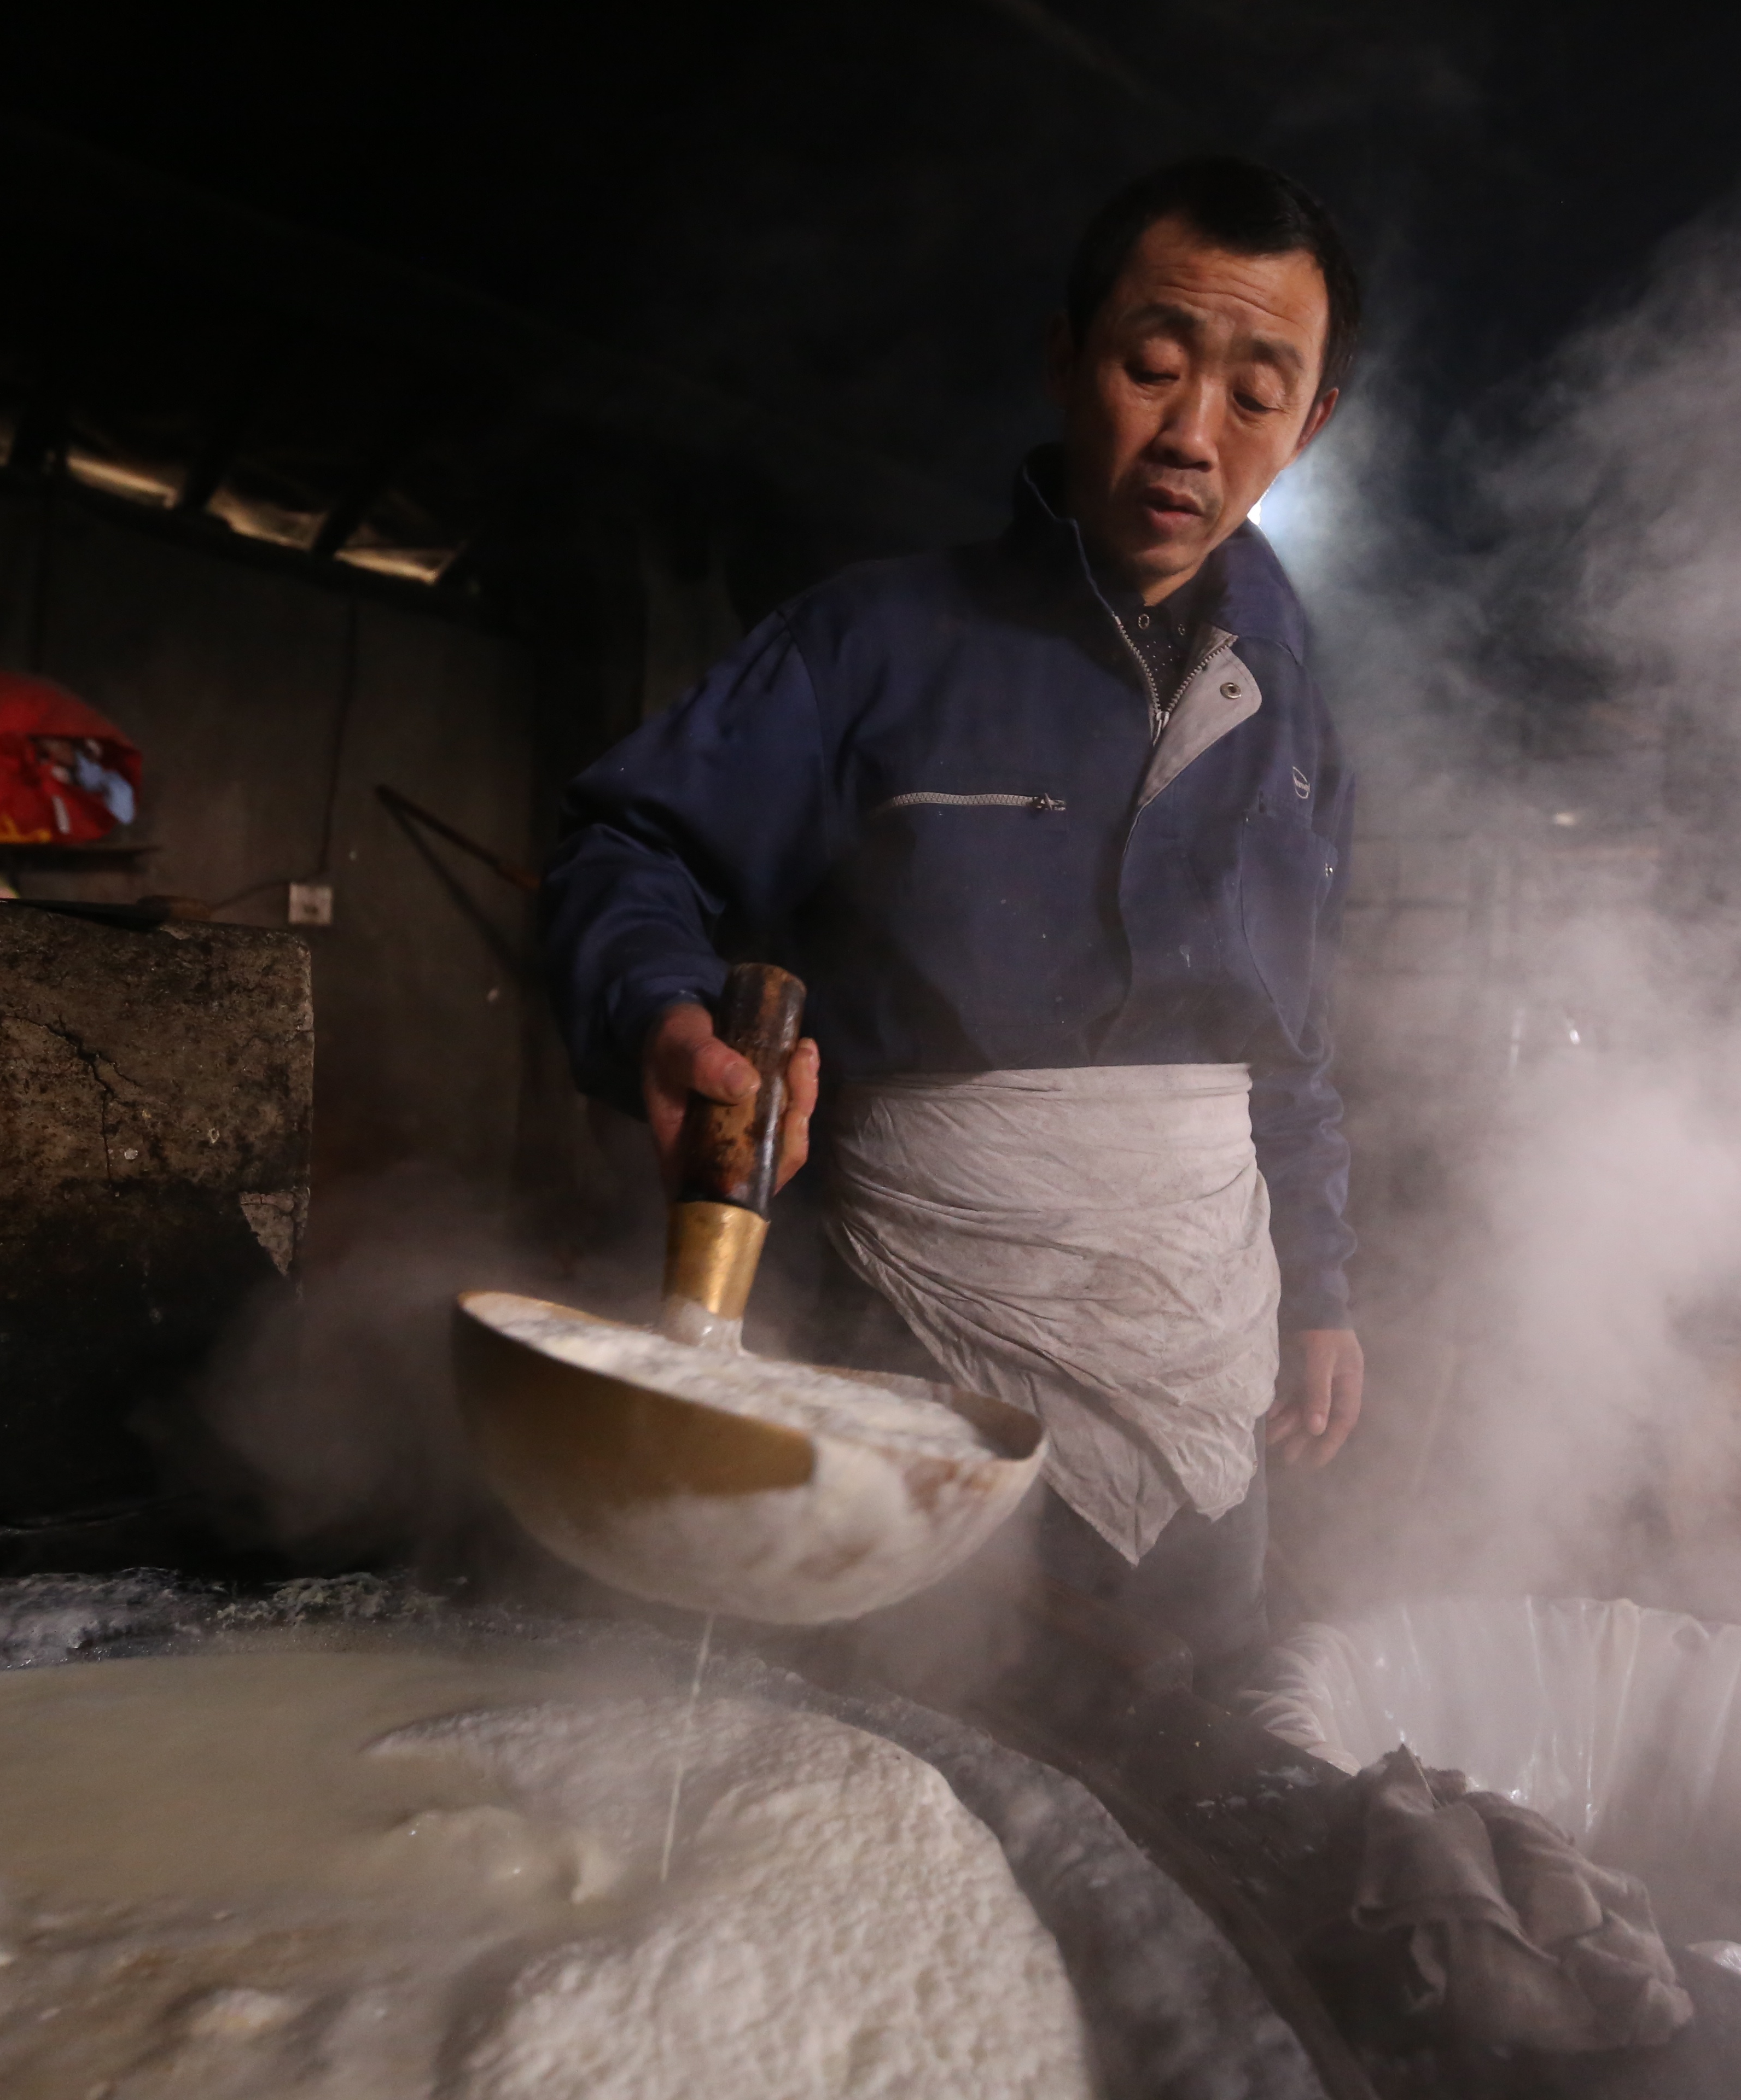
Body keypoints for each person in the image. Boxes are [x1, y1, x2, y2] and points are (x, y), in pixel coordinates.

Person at [541, 156, 1365, 1677]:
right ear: (1065, 359)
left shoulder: (1295, 716)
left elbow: (1293, 1045)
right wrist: (655, 1009)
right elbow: (630, 845)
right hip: (901, 1348)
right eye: (1153, 366)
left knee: (1181, 1735)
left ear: (1309, 423)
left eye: (1257, 393)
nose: (1194, 434)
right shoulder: (876, 642)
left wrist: (1318, 1289)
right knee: (890, 1728)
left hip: (1205, 1361)